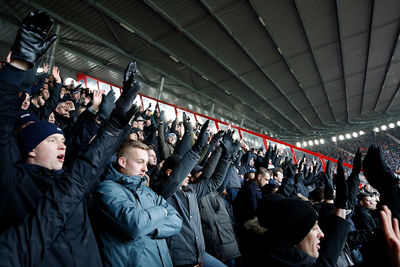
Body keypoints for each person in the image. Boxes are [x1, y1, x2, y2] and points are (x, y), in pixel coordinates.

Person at [0, 10, 141, 266]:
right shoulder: (12, 182)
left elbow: (88, 165)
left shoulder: (68, 182)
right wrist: (17, 66)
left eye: (63, 140)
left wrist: (118, 121)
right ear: (31, 149)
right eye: (53, 140)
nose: (63, 144)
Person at [95, 140, 182, 267]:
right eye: (140, 162)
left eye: (146, 163)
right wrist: (162, 211)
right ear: (122, 162)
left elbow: (177, 220)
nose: (145, 168)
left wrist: (151, 227)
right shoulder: (107, 189)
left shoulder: (146, 190)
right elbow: (136, 225)